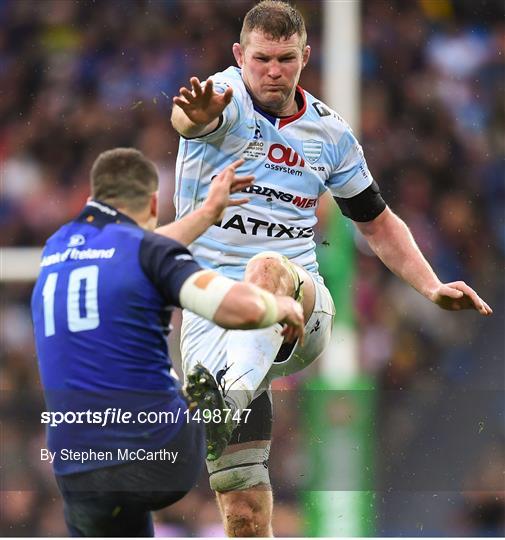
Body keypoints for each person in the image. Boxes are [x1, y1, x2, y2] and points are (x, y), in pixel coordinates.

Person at [169, 1, 493, 536]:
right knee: (244, 515)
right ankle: (228, 394)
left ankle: (226, 397)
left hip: (299, 305)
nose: (273, 71)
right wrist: (194, 116)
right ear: (238, 56)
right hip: (211, 323)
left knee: (268, 268)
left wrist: (432, 285)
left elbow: (378, 222)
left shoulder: (331, 134)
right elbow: (190, 117)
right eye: (261, 59)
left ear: (305, 57)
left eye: (285, 59)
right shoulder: (221, 98)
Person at [31, 148, 304, 537]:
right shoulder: (147, 252)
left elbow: (135, 251)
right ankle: (219, 410)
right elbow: (230, 307)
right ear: (154, 202)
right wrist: (275, 305)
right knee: (204, 389)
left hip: (76, 465)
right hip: (155, 454)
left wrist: (208, 214)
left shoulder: (57, 247)